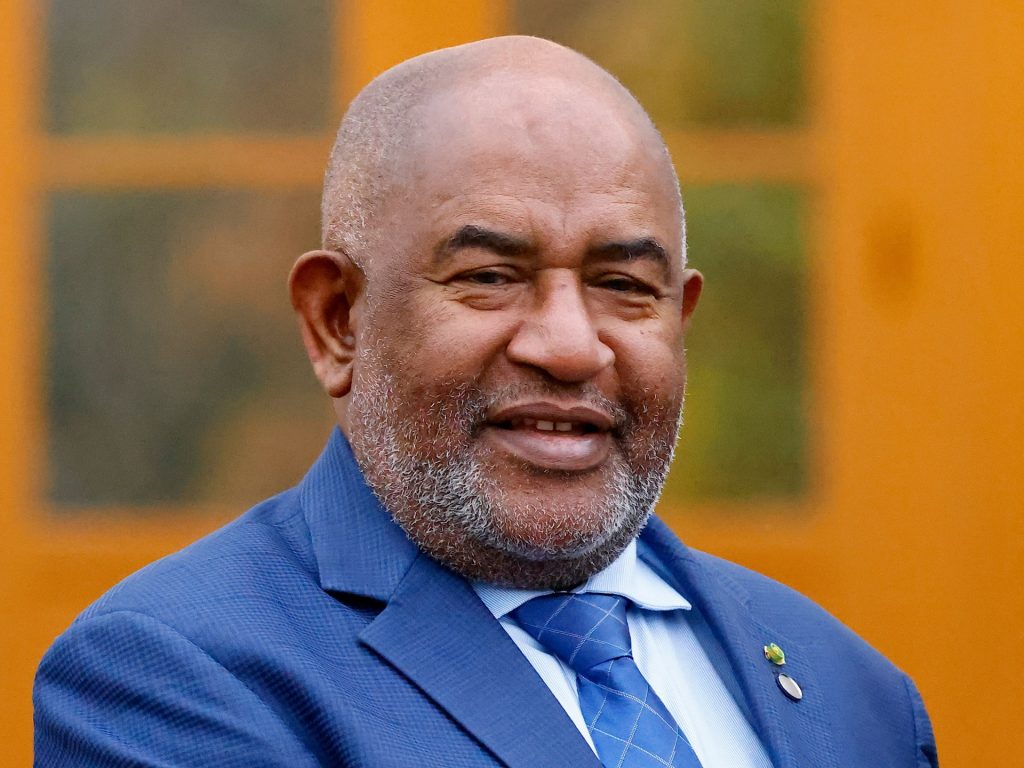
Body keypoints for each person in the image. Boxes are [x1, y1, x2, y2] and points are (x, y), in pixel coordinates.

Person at [34, 37, 938, 768]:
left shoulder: (852, 693)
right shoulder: (175, 679)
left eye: (624, 285)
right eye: (490, 276)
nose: (570, 346)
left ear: (679, 320)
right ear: (338, 320)